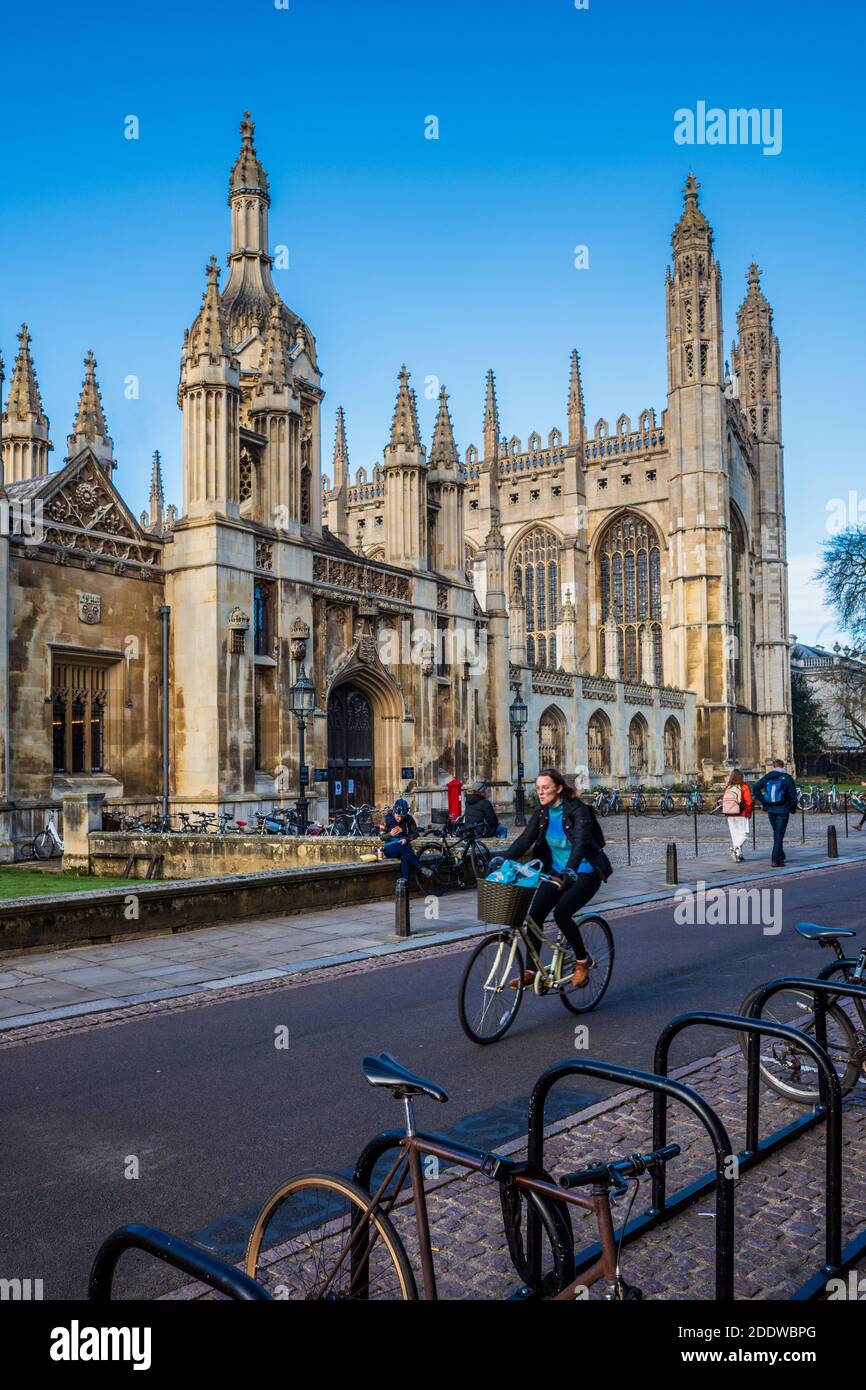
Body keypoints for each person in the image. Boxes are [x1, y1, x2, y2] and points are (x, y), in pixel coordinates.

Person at [497, 768, 611, 988]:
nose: (541, 792)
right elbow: (524, 841)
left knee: (561, 913)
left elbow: (579, 844)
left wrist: (571, 870)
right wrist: (503, 860)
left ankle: (582, 960)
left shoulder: (578, 811)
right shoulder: (543, 813)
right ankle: (530, 970)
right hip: (557, 872)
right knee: (534, 913)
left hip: (585, 872)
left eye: (546, 788)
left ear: (559, 788)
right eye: (538, 788)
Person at [751, 759, 798, 867]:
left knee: (777, 833)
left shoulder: (768, 777)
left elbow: (755, 788)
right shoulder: (787, 777)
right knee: (779, 834)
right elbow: (793, 796)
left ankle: (781, 855)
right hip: (782, 810)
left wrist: (764, 801)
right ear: (783, 766)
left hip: (771, 810)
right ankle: (775, 859)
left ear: (774, 766)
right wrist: (792, 808)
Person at [380, 798, 432, 881]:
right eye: (398, 816)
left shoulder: (409, 819)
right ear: (394, 811)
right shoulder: (386, 819)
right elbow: (381, 837)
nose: (400, 819)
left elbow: (416, 833)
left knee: (405, 857)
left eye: (402, 817)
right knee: (403, 848)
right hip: (390, 848)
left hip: (404, 846)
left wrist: (407, 839)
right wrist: (390, 834)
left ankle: (405, 883)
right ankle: (421, 867)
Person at [721, 768, 752, 863]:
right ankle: (735, 849)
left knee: (735, 836)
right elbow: (749, 801)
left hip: (730, 814)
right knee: (744, 834)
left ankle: (738, 855)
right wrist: (748, 812)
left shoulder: (728, 787)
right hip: (741, 813)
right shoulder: (743, 786)